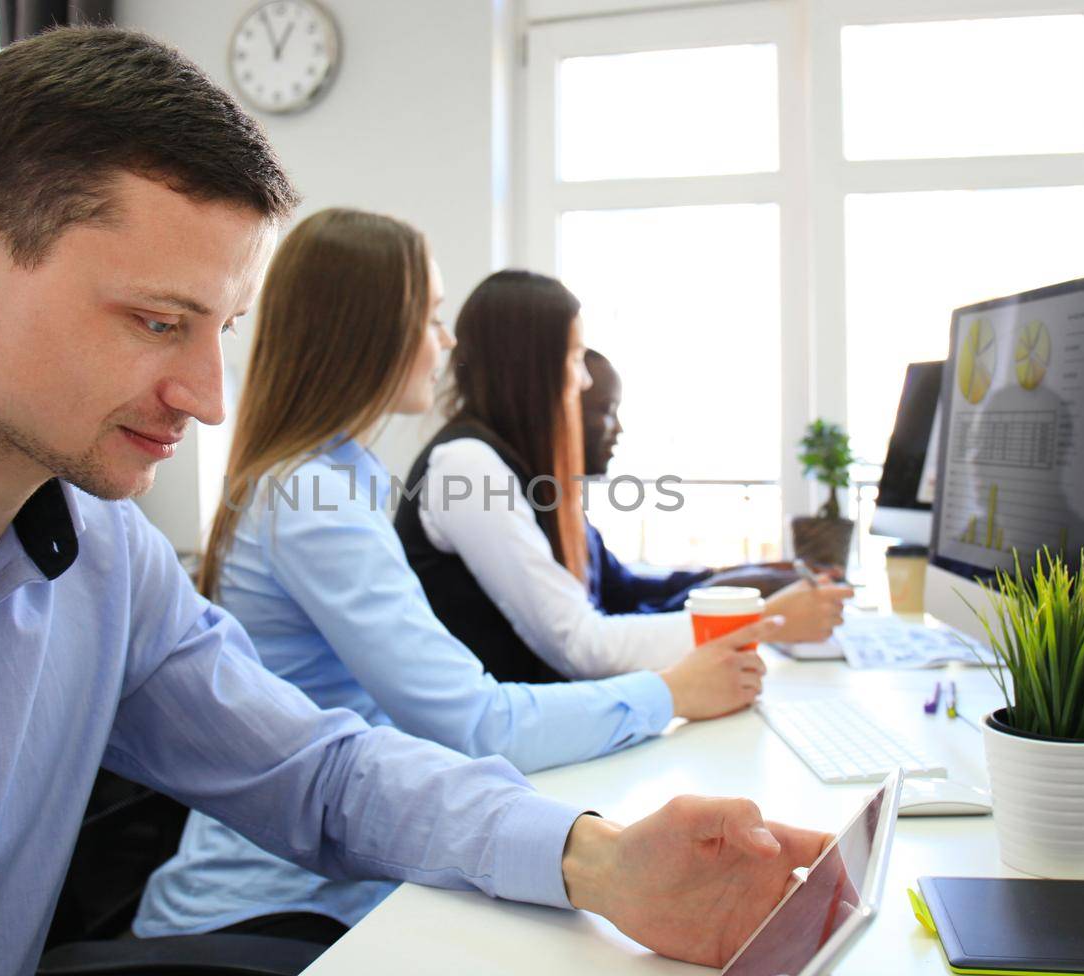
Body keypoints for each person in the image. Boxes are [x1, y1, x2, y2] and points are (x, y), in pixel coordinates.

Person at [0, 27, 830, 976]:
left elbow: (316, 769)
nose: (208, 399)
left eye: (222, 330)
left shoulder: (105, 555)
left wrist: (598, 860)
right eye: (158, 322)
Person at [134, 208, 780, 943]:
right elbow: (473, 722)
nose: (445, 346)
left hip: (347, 874)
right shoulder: (313, 503)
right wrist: (669, 691)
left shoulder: (343, 481)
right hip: (273, 911)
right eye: (432, 318)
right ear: (371, 333)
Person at [396, 271, 851, 685]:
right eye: (574, 359)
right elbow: (581, 645)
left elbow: (611, 599)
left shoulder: (514, 469)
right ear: (531, 369)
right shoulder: (467, 467)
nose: (586, 382)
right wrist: (769, 617)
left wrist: (745, 586)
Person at [579, 348, 847, 613]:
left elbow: (627, 590)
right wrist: (730, 592)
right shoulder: (547, 520)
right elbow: (611, 633)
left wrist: (747, 572)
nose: (619, 429)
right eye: (607, 410)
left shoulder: (575, 517)